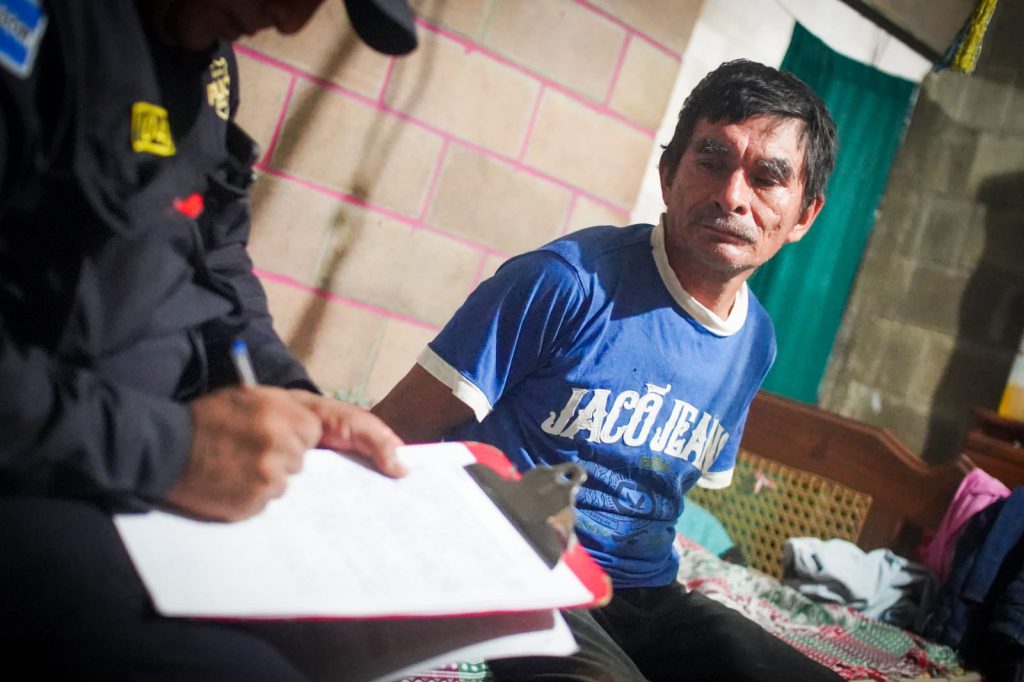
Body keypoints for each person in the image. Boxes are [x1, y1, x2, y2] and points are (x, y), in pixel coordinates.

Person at [373, 59, 844, 681]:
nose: (732, 195)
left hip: (646, 594)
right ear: (668, 173)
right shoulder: (565, 282)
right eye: (711, 161)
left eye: (766, 178)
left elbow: (658, 493)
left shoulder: (755, 342)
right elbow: (395, 428)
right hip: (518, 569)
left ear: (804, 215)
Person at [0, 0, 417, 678]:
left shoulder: (210, 61)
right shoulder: (34, 29)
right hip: (45, 469)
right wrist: (170, 451)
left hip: (162, 459)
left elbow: (214, 262)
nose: (289, 23)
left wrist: (290, 393)